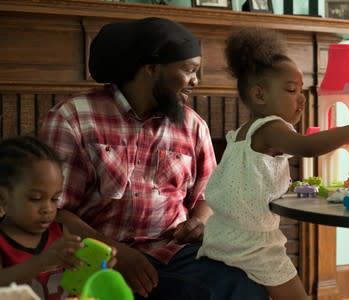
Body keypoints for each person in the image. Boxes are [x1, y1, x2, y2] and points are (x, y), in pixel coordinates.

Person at [40, 17, 268, 300]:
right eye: (189, 70)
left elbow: (209, 197)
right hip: (97, 257)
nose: (196, 80)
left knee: (246, 282)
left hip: (173, 255)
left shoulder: (193, 125)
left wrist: (199, 221)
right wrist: (116, 253)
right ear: (151, 68)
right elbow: (55, 212)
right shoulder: (72, 118)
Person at [196, 27, 349, 300]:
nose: (301, 99)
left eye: (302, 91)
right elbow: (307, 147)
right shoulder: (273, 127)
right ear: (260, 95)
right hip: (254, 245)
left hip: (223, 236)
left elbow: (251, 181)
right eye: (291, 90)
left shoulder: (242, 133)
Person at [0, 135, 85, 299]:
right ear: (3, 197)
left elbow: (77, 283)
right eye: (35, 198)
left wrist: (97, 268)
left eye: (55, 199)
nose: (48, 209)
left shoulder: (61, 234)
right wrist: (41, 263)